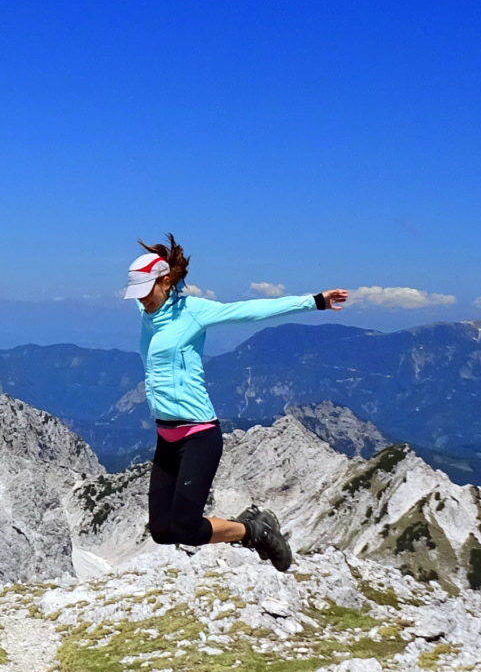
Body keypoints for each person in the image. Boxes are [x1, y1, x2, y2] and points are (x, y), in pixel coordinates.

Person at [124, 235, 350, 571]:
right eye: (136, 293)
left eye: (146, 290)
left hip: (198, 435)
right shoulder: (146, 309)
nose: (142, 299)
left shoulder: (192, 311)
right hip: (166, 438)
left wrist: (314, 301)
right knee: (160, 530)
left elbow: (248, 312)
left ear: (165, 281)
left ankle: (255, 532)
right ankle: (250, 527)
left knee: (186, 527)